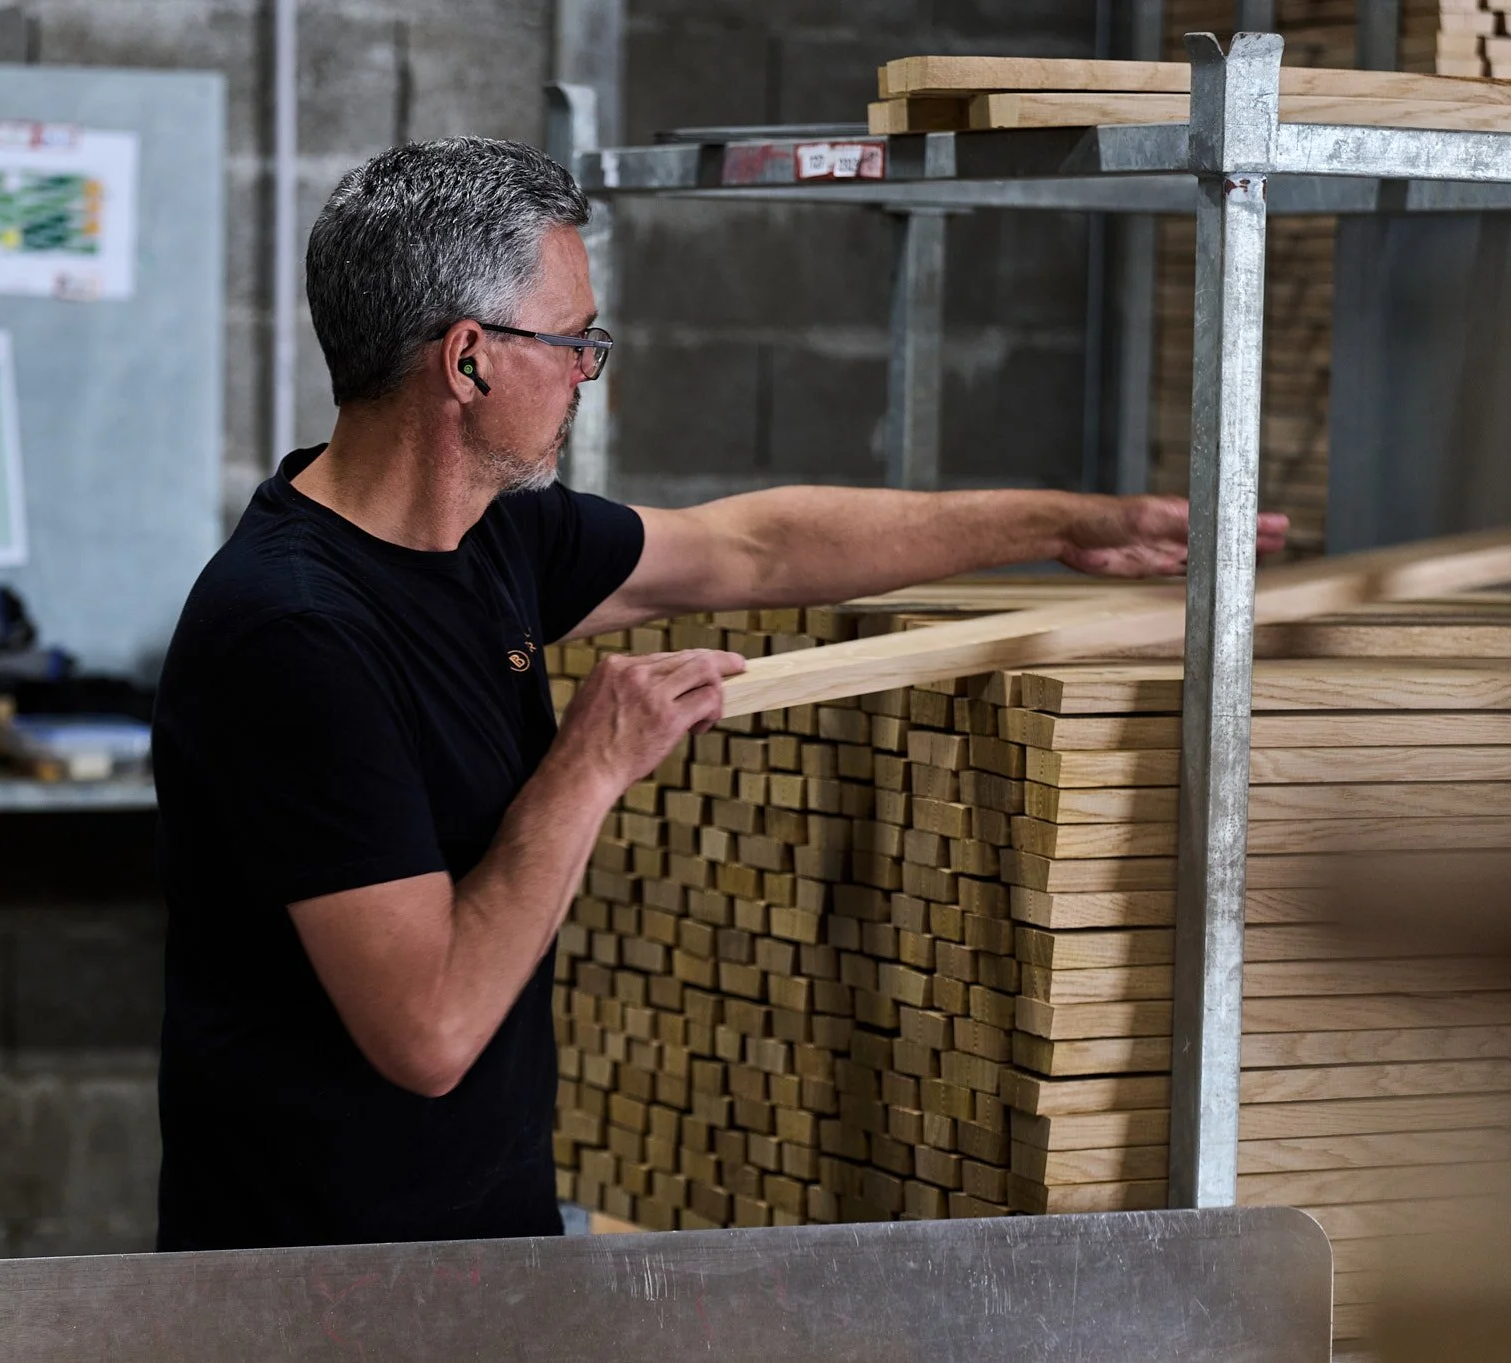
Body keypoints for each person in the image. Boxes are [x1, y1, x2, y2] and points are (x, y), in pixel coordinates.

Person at [150, 137, 1286, 1252]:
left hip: (471, 1254)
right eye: (573, 342)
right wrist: (589, 763)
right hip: (314, 1285)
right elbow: (430, 1027)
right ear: (468, 361)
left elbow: (750, 547)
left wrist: (1060, 526)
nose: (585, 371)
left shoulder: (488, 539)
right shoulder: (295, 637)